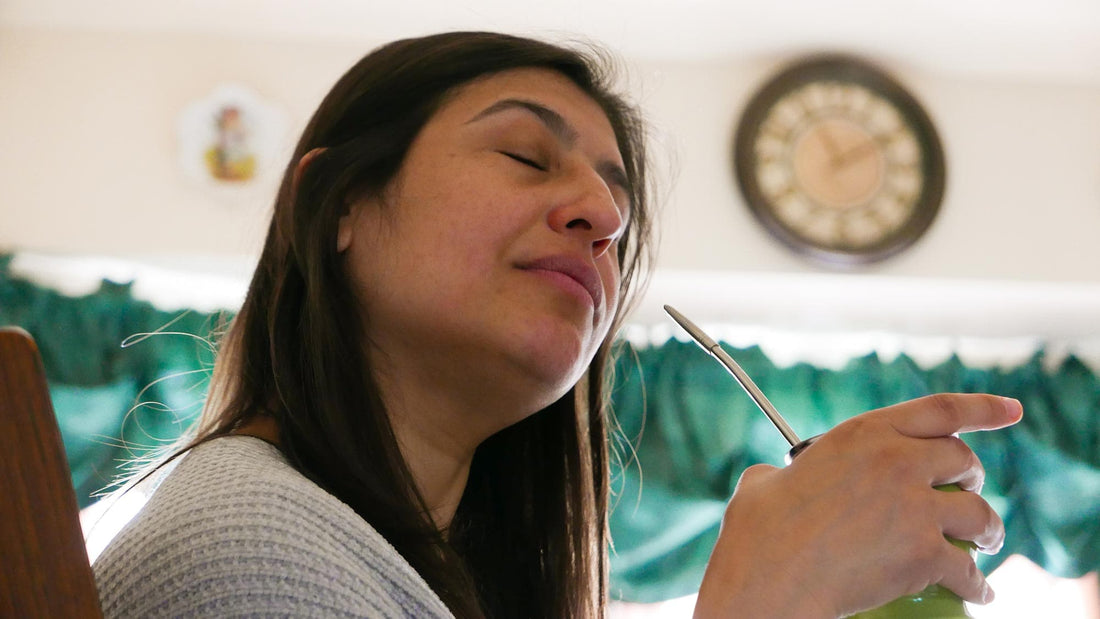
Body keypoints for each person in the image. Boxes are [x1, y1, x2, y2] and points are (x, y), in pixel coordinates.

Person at [91, 31, 1023, 618]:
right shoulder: (246, 552)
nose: (602, 218)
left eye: (617, 206)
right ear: (337, 205)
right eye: (525, 154)